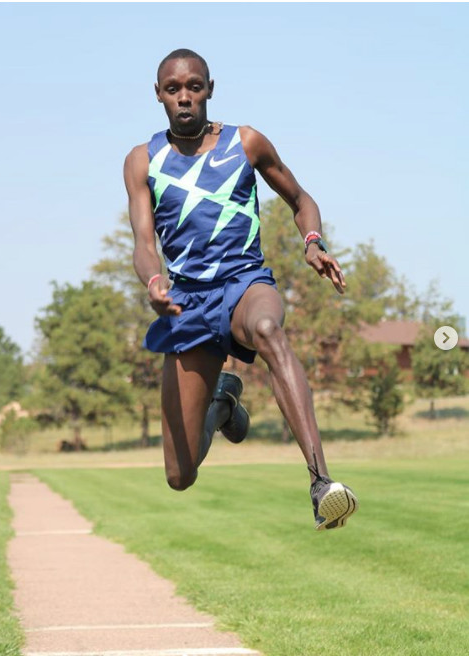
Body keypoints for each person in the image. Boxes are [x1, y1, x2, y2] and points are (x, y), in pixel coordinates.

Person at [124, 48, 358, 530]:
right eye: (173, 89)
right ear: (158, 95)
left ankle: (321, 482)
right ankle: (224, 403)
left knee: (268, 327)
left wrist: (313, 243)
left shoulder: (245, 143)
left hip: (244, 283)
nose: (184, 97)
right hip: (187, 302)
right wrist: (154, 281)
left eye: (194, 87)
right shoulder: (142, 160)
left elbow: (300, 199)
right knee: (180, 474)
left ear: (210, 89)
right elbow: (144, 244)